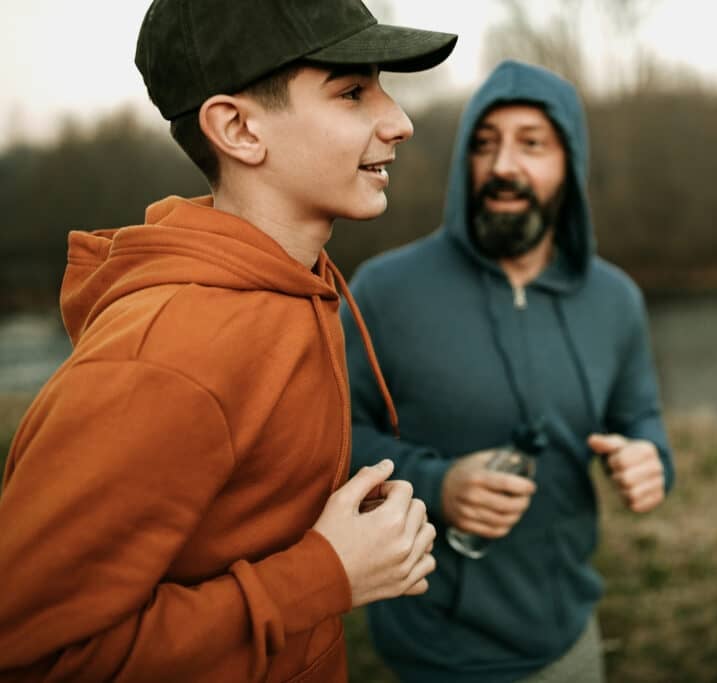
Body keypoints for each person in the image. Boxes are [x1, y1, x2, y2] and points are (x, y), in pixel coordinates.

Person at [0, 2, 456, 681]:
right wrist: (322, 574)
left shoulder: (298, 284)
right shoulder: (162, 359)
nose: (399, 119)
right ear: (238, 128)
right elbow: (37, 657)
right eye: (353, 92)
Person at [342, 60, 676, 682]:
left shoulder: (615, 299)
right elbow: (330, 438)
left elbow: (642, 418)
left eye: (532, 144)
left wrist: (650, 457)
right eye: (485, 144)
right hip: (435, 652)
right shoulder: (385, 291)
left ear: (569, 166)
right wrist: (438, 486)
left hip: (570, 640)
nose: (502, 166)